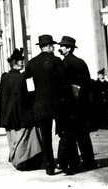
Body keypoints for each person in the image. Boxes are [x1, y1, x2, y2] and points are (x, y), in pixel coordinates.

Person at [23, 34, 68, 176]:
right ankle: (64, 163)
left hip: (40, 105)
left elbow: (28, 87)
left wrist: (34, 101)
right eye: (52, 46)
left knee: (45, 137)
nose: (53, 48)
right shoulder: (56, 61)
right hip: (57, 104)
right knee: (64, 133)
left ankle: (49, 167)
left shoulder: (31, 63)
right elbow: (63, 84)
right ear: (48, 47)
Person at [0, 49, 43, 171]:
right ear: (15, 63)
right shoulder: (23, 77)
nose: (23, 63)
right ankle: (21, 159)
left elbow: (1, 96)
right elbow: (27, 95)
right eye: (21, 61)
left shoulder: (4, 77)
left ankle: (14, 156)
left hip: (8, 113)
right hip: (21, 111)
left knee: (12, 135)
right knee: (24, 134)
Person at [56, 36, 97, 174]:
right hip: (82, 105)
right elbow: (88, 84)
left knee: (70, 136)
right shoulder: (81, 62)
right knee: (84, 136)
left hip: (68, 106)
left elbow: (62, 86)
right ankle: (89, 162)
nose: (59, 48)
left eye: (62, 46)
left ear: (68, 49)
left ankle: (73, 165)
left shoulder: (63, 64)